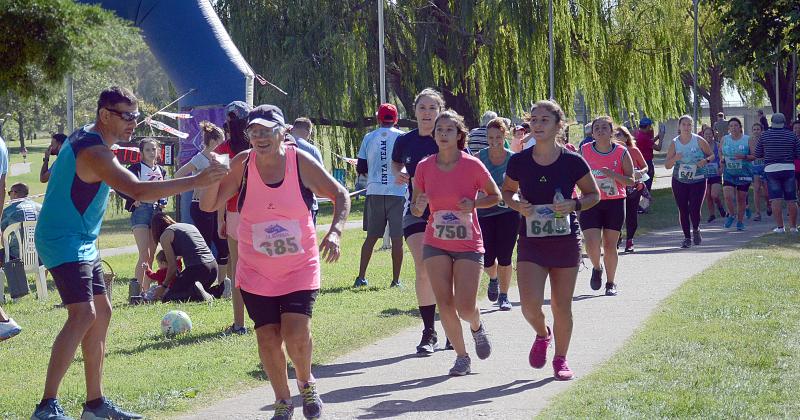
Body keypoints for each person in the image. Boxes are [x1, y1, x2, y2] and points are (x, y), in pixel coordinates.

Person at [31, 86, 227, 420]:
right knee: (83, 315)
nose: (133, 123)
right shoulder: (95, 152)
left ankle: (94, 404)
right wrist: (197, 178)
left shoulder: (93, 137)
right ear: (104, 115)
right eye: (126, 116)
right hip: (62, 239)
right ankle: (46, 406)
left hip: (83, 239)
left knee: (102, 312)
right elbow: (138, 190)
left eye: (135, 116)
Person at [199, 104, 349, 420]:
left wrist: (335, 232)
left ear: (283, 132)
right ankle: (283, 401)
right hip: (256, 268)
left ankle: (306, 382)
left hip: (298, 265)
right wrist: (213, 175)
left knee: (295, 333)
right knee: (267, 338)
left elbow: (341, 195)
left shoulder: (300, 162)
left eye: (267, 130)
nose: (260, 136)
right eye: (254, 131)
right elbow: (209, 203)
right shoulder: (242, 163)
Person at [502, 100, 600, 381]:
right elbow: (508, 191)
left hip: (565, 241)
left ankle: (560, 359)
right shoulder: (519, 160)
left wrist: (574, 205)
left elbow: (594, 195)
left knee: (561, 306)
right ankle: (542, 334)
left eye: (544, 120)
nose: (537, 125)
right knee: (530, 305)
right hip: (532, 241)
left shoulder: (572, 161)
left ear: (559, 125)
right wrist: (518, 204)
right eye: (534, 119)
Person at [411, 110, 499, 376]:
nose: (443, 134)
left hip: (468, 243)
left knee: (464, 305)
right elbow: (415, 210)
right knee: (445, 303)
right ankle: (462, 357)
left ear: (459, 135)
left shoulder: (472, 165)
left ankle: (476, 325)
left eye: (449, 130)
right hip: (435, 240)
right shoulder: (424, 166)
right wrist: (420, 204)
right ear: (433, 134)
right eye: (439, 130)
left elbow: (494, 195)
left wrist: (473, 203)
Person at [392, 88, 448, 355]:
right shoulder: (405, 141)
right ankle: (429, 332)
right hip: (415, 211)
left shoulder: (450, 139)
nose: (427, 114)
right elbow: (396, 164)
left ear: (440, 111)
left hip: (448, 214)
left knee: (447, 271)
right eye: (422, 108)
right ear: (414, 112)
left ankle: (450, 326)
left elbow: (467, 167)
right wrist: (401, 172)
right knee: (424, 267)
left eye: (432, 108)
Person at [579, 116, 634, 296]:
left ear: (611, 131)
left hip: (615, 202)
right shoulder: (585, 150)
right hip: (591, 201)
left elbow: (631, 180)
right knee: (591, 243)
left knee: (610, 245)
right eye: (597, 128)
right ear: (592, 133)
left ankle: (610, 283)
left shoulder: (621, 152)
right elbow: (576, 174)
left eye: (604, 127)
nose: (600, 131)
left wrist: (612, 174)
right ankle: (597, 267)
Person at [174, 121, 231, 290]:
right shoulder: (200, 158)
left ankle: (223, 283)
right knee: (204, 244)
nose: (224, 145)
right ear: (213, 142)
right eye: (222, 141)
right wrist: (197, 184)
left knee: (222, 245)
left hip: (217, 206)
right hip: (200, 206)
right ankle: (202, 284)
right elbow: (178, 175)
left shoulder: (222, 158)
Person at [355, 103, 407, 288]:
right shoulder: (403, 137)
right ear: (396, 119)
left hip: (374, 191)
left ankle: (360, 277)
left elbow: (361, 168)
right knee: (397, 238)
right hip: (398, 191)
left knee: (371, 237)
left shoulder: (369, 137)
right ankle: (396, 280)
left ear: (378, 118)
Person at [216, 100, 252, 335]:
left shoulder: (222, 152)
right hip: (261, 211)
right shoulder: (258, 147)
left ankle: (239, 324)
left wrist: (222, 220)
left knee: (238, 270)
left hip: (234, 213)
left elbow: (220, 188)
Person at [476, 118, 519, 310]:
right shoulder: (478, 158)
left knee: (505, 256)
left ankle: (504, 295)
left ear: (505, 136)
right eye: (491, 137)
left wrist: (514, 196)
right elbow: (472, 184)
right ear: (486, 137)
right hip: (484, 213)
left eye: (499, 137)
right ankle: (493, 278)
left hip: (508, 212)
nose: (495, 141)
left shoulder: (513, 159)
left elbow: (521, 185)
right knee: (486, 258)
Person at [117, 138, 168, 295]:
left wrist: (162, 201)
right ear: (141, 153)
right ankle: (136, 292)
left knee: (152, 255)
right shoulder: (135, 168)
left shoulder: (162, 170)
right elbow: (119, 185)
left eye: (154, 149)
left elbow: (164, 190)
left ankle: (146, 291)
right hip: (140, 211)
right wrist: (133, 200)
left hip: (156, 212)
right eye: (148, 150)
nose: (152, 153)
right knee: (144, 253)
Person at [664, 115, 713, 248]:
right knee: (683, 209)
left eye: (689, 124)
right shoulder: (675, 142)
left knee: (694, 209)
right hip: (679, 180)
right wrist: (675, 158)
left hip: (698, 180)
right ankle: (686, 237)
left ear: (692, 126)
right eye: (684, 124)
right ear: (679, 126)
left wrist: (706, 160)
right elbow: (667, 165)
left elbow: (711, 154)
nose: (686, 127)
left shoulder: (699, 140)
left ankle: (696, 229)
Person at [150, 213, 222, 302]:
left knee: (168, 297)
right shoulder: (188, 226)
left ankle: (213, 295)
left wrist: (163, 287)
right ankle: (219, 290)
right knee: (192, 289)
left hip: (198, 269)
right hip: (213, 269)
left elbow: (172, 267)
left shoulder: (165, 236)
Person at [755, 113, 800, 233]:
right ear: (784, 122)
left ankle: (780, 228)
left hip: (771, 169)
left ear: (772, 123)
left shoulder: (764, 136)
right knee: (792, 199)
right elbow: (798, 154)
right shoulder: (792, 135)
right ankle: (794, 227)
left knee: (775, 199)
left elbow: (757, 153)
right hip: (789, 168)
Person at [613, 126, 648, 253]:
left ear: (626, 137)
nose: (617, 138)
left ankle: (630, 241)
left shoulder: (633, 150)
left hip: (634, 187)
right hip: (616, 187)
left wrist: (640, 172)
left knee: (631, 214)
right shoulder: (611, 151)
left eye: (619, 135)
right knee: (617, 215)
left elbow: (645, 166)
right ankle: (617, 237)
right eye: (615, 135)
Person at [288, 117, 324, 224]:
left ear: (293, 129)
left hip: (283, 203)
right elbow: (321, 179)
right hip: (307, 203)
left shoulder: (279, 146)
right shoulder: (312, 150)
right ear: (308, 132)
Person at [720, 118, 753, 231]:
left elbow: (754, 155)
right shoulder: (724, 139)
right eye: (731, 126)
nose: (733, 128)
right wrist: (722, 160)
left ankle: (740, 221)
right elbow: (721, 152)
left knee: (741, 198)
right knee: (727, 196)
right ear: (729, 128)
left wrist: (743, 157)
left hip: (744, 172)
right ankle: (732, 214)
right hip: (729, 172)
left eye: (736, 125)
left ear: (740, 127)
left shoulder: (747, 139)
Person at [1, 182, 42, 261]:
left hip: (15, 256)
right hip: (40, 255)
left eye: (10, 193)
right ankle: (41, 272)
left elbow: (3, 238)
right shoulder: (41, 208)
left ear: (15, 193)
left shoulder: (8, 211)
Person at [701, 126, 727, 222]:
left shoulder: (718, 145)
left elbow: (723, 158)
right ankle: (712, 214)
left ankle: (720, 206)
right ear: (703, 135)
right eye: (706, 134)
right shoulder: (701, 147)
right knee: (708, 195)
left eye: (710, 134)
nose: (708, 136)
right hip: (705, 174)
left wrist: (722, 167)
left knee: (714, 195)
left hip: (716, 174)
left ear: (713, 134)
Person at [634, 117, 662, 193]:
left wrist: (657, 137)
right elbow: (658, 148)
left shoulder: (639, 133)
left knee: (643, 182)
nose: (650, 128)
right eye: (650, 126)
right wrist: (661, 137)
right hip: (647, 162)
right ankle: (645, 199)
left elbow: (649, 143)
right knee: (647, 182)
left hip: (640, 162)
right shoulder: (644, 137)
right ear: (647, 126)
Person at [750, 122, 769, 221]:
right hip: (755, 169)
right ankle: (757, 213)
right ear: (752, 131)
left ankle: (769, 205)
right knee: (756, 190)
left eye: (758, 129)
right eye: (754, 129)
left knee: (766, 192)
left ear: (762, 131)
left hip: (765, 168)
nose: (756, 131)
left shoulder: (766, 141)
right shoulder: (750, 141)